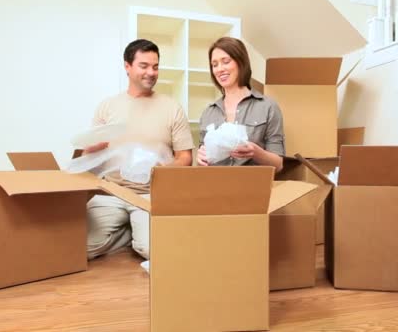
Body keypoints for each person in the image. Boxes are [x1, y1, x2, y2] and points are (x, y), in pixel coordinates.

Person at [83, 39, 194, 260]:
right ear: (127, 66)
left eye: (155, 66)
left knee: (153, 251)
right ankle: (127, 233)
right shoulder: (108, 106)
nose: (151, 72)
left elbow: (185, 157)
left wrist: (163, 169)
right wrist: (91, 149)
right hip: (112, 191)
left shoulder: (172, 108)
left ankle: (137, 235)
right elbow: (88, 158)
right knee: (82, 249)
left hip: (151, 194)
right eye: (144, 66)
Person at [196, 37, 285, 171]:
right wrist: (200, 157)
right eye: (214, 65)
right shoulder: (208, 112)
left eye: (225, 62)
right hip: (215, 188)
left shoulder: (268, 107)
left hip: (252, 188)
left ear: (241, 62)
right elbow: (203, 161)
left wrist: (256, 153)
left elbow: (278, 165)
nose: (219, 69)